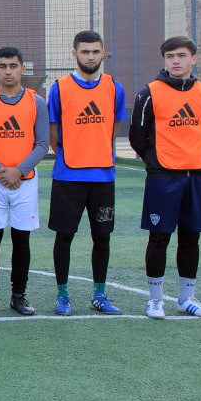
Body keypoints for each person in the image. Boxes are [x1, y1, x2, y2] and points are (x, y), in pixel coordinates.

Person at [129, 36, 201, 319]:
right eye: (170, 56)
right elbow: (137, 137)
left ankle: (187, 298)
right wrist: (158, 162)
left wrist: (192, 158)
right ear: (164, 60)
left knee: (191, 239)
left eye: (181, 55)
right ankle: (155, 299)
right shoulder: (149, 94)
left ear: (194, 59)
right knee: (159, 238)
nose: (176, 61)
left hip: (196, 177)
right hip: (162, 178)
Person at [48, 30, 128, 315]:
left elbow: (113, 131)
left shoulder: (114, 87)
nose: (90, 57)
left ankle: (99, 294)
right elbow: (54, 133)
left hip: (103, 177)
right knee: (64, 236)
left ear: (103, 53)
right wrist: (74, 154)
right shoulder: (59, 87)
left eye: (96, 51)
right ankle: (63, 295)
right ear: (74, 54)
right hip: (68, 176)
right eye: (85, 52)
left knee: (102, 237)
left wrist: (96, 153)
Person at [0, 47, 48, 317]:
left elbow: (42, 143)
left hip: (25, 181)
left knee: (21, 239)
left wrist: (19, 171)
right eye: (3, 66)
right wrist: (0, 170)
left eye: (13, 66)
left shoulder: (36, 102)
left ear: (23, 68)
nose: (8, 71)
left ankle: (18, 295)